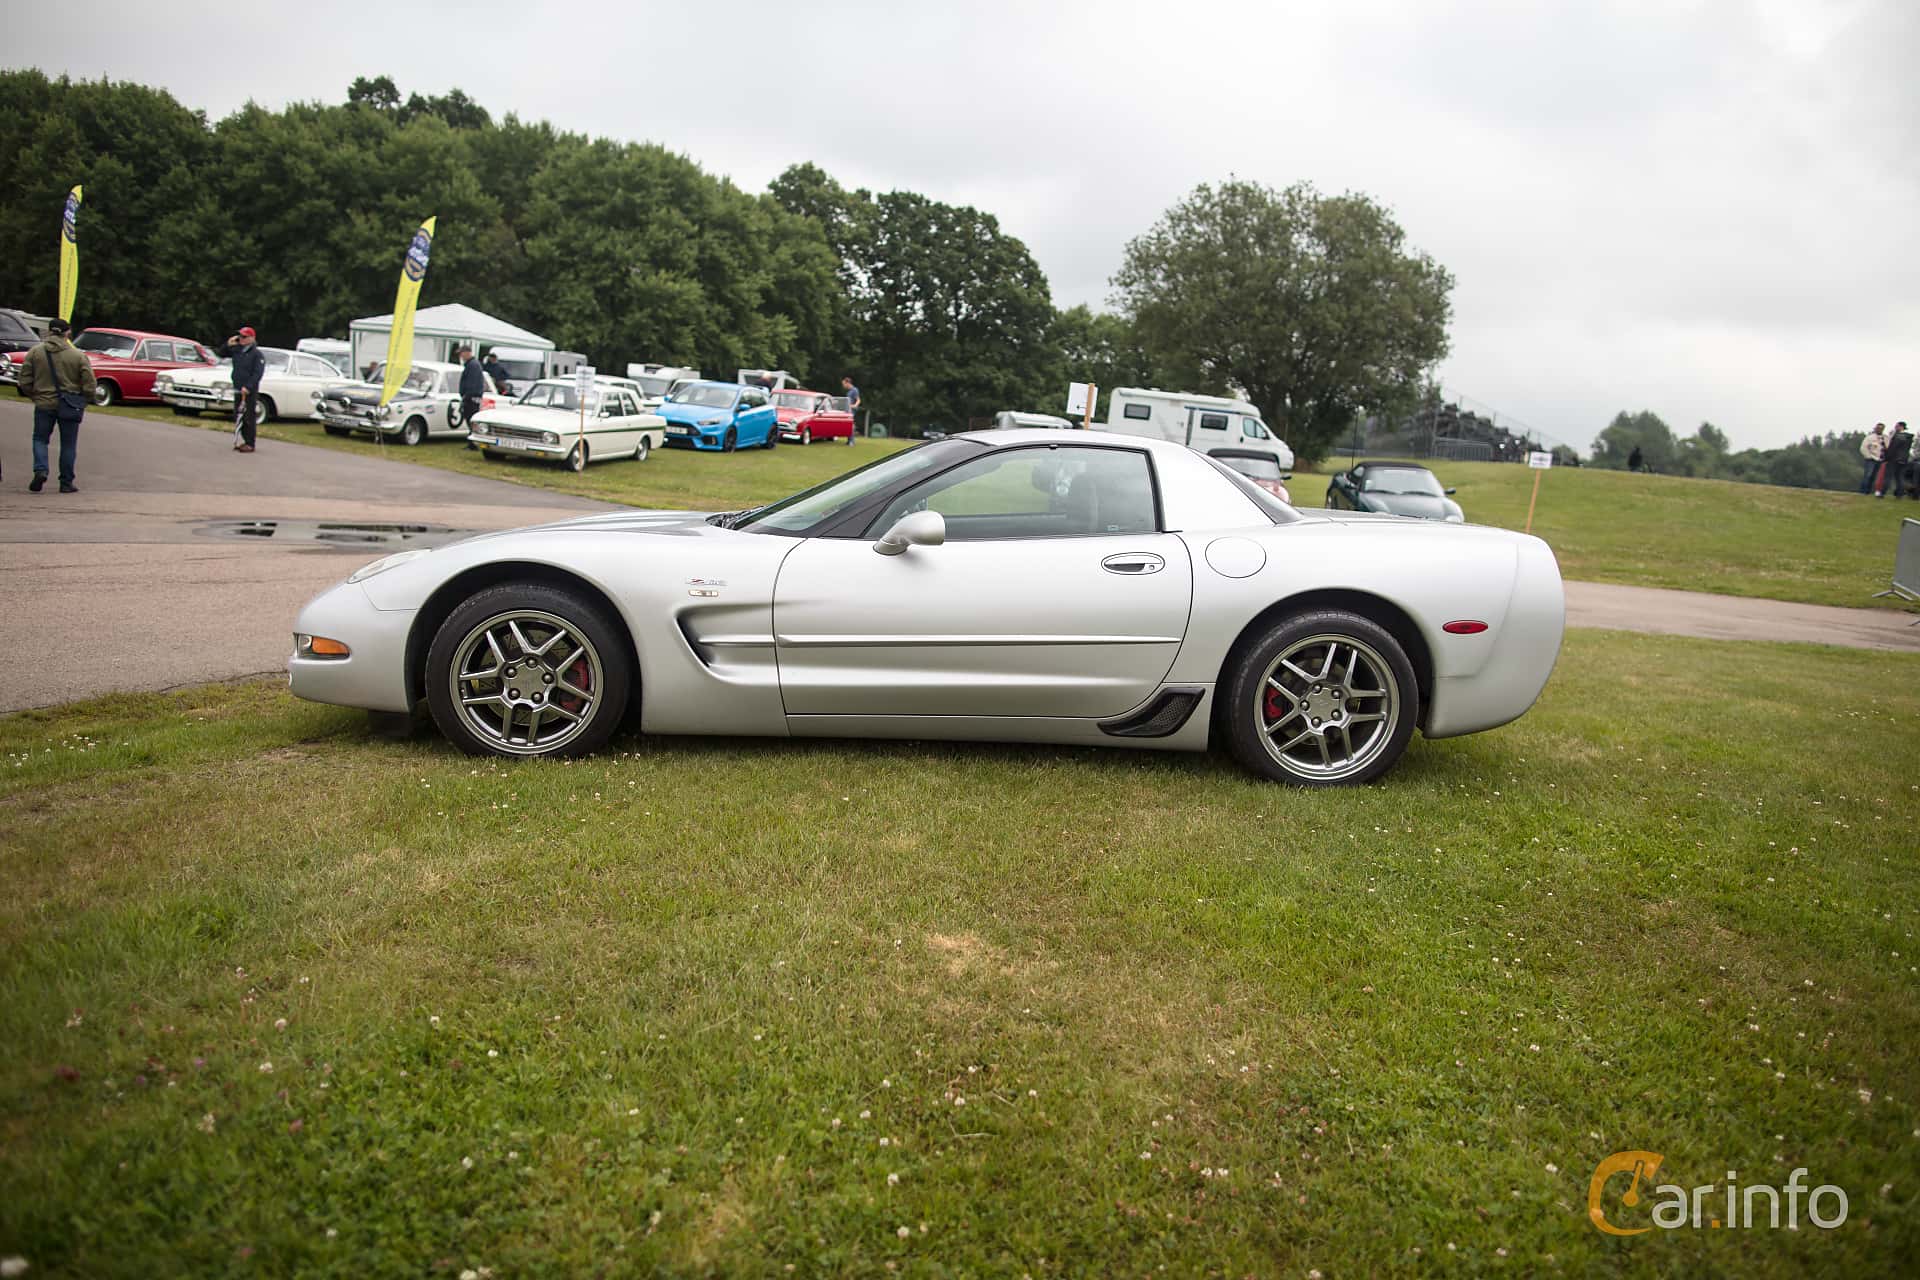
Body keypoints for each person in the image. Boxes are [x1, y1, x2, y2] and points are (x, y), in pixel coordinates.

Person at [17, 317, 95, 492]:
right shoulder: (78, 355)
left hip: (44, 403)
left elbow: (24, 380)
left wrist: (34, 395)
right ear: (67, 333)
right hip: (70, 403)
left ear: (50, 331)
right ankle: (66, 482)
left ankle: (41, 470)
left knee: (40, 439)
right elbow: (90, 383)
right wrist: (84, 399)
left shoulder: (35, 352)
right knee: (68, 444)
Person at [227, 326, 265, 453]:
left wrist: (248, 386)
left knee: (249, 416)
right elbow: (221, 353)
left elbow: (257, 373)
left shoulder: (256, 354)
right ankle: (243, 439)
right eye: (240, 336)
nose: (241, 339)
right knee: (238, 415)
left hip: (249, 390)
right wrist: (230, 342)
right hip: (238, 387)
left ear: (252, 338)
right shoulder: (238, 350)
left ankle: (250, 443)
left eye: (244, 337)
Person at [457, 345, 485, 427]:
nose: (460, 356)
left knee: (471, 421)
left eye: (461, 353)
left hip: (471, 400)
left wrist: (466, 396)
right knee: (470, 421)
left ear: (467, 353)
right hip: (471, 398)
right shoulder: (471, 364)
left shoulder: (473, 365)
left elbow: (472, 384)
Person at [1884, 421, 1914, 499]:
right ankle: (1899, 494)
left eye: (1896, 426)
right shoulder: (1909, 437)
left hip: (1894, 459)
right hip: (1904, 460)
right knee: (1900, 477)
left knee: (1888, 476)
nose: (1895, 428)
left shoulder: (1898, 436)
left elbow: (1892, 448)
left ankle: (1882, 492)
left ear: (1901, 427)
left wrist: (1887, 457)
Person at [1860, 423, 1886, 494]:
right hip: (1871, 459)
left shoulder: (1885, 438)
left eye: (1881, 428)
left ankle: (1868, 491)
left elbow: (1887, 448)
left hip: (1880, 460)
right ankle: (1863, 491)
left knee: (1874, 476)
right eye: (1878, 428)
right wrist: (1868, 456)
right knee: (1868, 475)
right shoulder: (1870, 437)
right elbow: (1863, 448)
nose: (1879, 429)